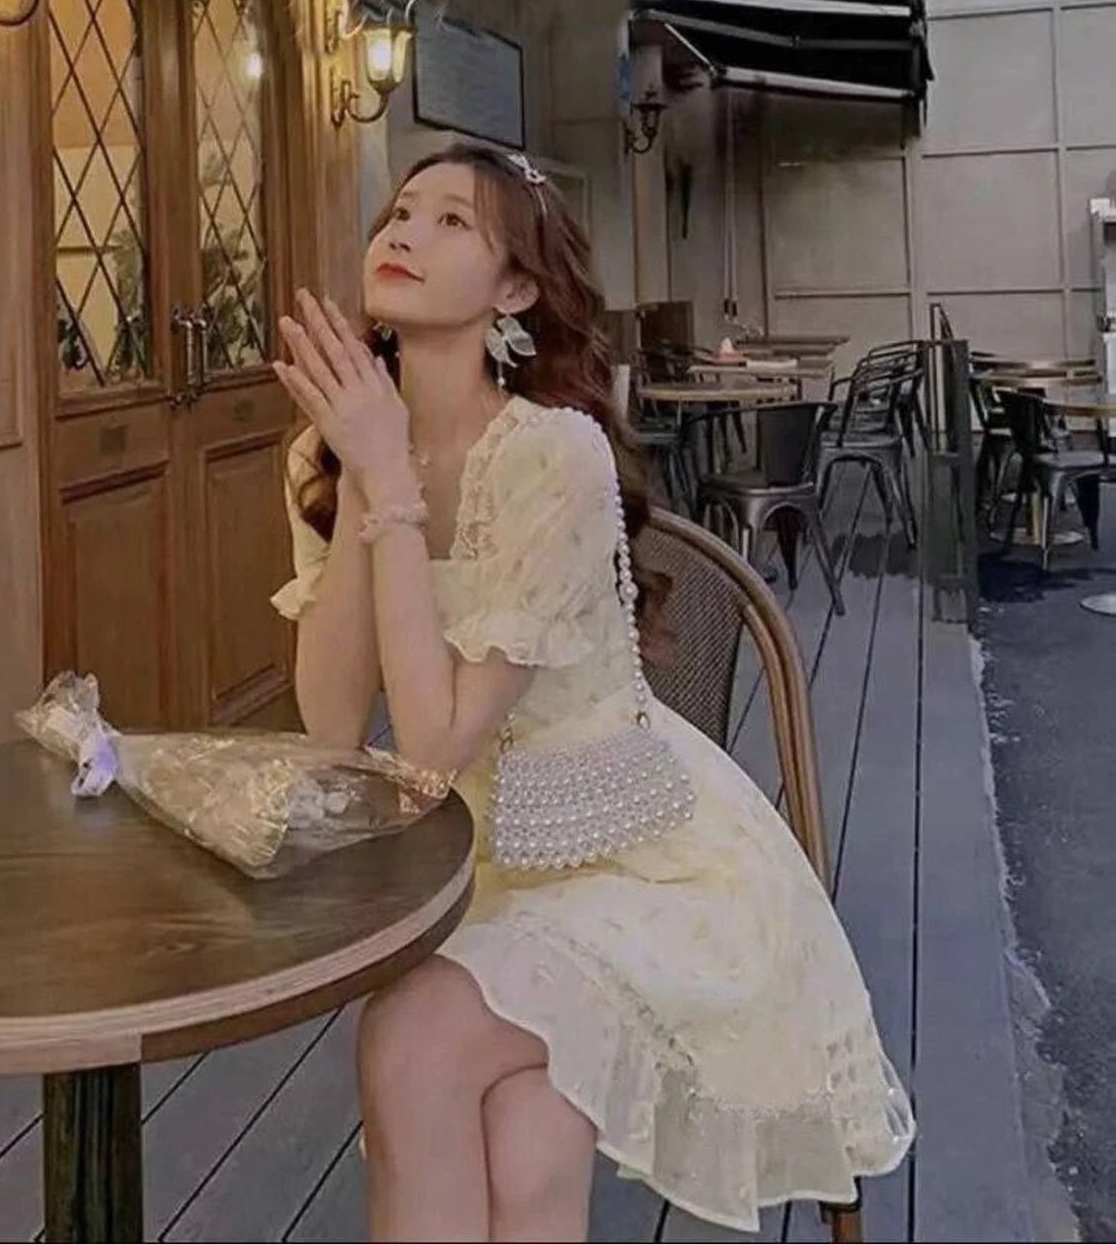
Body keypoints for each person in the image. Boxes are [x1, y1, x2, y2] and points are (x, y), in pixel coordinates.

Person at [269, 143, 914, 1243]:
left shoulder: (553, 457)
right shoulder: (324, 455)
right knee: (526, 1148)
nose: (405, 232)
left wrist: (386, 480)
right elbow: (329, 723)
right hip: (470, 868)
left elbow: (427, 744)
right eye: (400, 211)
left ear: (516, 290)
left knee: (412, 1041)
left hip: (636, 867)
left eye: (452, 222)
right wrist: (366, 472)